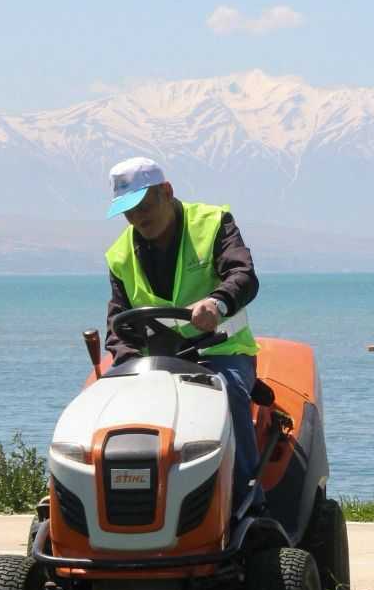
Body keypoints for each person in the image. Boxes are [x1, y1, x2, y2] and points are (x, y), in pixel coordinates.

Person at [101, 156, 264, 510]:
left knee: (228, 394)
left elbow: (244, 275)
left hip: (221, 351)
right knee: (106, 400)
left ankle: (245, 498)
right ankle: (125, 505)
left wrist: (218, 302)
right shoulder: (119, 256)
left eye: (144, 206)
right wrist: (127, 366)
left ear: (167, 191)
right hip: (154, 362)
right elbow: (118, 323)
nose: (138, 218)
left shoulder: (213, 223)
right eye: (128, 212)